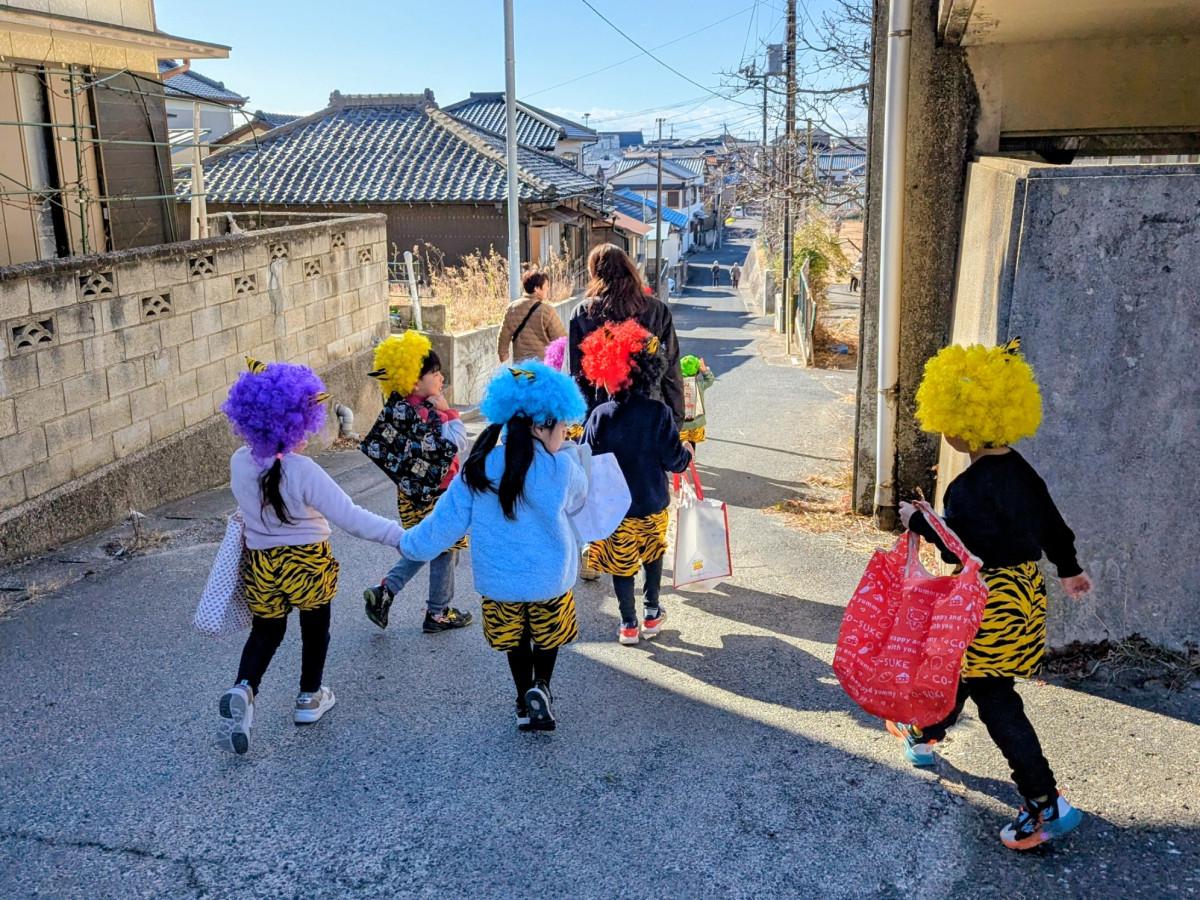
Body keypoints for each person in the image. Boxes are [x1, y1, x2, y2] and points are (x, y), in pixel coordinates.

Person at [889, 338, 1093, 851]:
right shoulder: (1023, 471)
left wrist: (920, 522)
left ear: (963, 424)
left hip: (988, 598)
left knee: (994, 693)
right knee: (967, 668)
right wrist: (1069, 570)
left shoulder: (968, 487)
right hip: (1024, 591)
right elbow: (1053, 525)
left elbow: (963, 549)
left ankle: (1044, 801)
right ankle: (926, 733)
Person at [216, 358, 405, 755]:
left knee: (266, 632)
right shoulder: (303, 470)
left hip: (262, 564)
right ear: (294, 424)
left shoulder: (239, 463)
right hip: (306, 562)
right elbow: (350, 517)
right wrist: (399, 537)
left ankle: (245, 688)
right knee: (315, 629)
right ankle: (309, 696)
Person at [398, 361, 588, 731]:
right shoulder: (561, 468)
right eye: (562, 426)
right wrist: (566, 455)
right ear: (539, 426)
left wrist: (409, 544)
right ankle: (542, 686)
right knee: (547, 637)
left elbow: (445, 522)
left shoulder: (479, 466)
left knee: (515, 641)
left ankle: (522, 700)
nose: (565, 433)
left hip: (500, 583)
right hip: (549, 579)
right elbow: (581, 493)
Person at [580, 320, 693, 645]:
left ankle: (628, 623)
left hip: (616, 511)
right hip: (653, 504)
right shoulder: (658, 413)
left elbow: (584, 459)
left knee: (622, 564)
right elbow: (674, 461)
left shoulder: (600, 415)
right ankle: (652, 612)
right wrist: (687, 453)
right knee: (653, 555)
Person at [362, 332, 474, 634]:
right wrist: (448, 410)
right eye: (435, 374)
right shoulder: (432, 413)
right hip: (439, 493)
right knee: (444, 549)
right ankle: (437, 612)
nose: (441, 378)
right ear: (414, 381)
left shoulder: (399, 409)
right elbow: (457, 442)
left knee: (425, 545)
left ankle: (386, 591)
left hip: (410, 495)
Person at [569, 243, 684, 425]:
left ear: (594, 273)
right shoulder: (656, 309)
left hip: (602, 415)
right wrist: (676, 419)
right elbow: (671, 367)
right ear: (629, 268)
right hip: (651, 411)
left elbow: (576, 373)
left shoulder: (585, 311)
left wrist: (583, 423)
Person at [497, 270, 566, 363]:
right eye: (546, 285)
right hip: (543, 366)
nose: (548, 288)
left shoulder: (512, 308)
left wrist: (503, 356)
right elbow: (560, 339)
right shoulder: (547, 311)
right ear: (537, 288)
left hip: (520, 366)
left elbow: (504, 336)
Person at [678, 355, 715, 450]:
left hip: (680, 423)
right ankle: (692, 455)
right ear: (697, 374)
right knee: (692, 442)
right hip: (696, 422)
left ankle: (684, 453)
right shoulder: (699, 385)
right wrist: (704, 370)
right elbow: (710, 381)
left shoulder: (676, 387)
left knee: (680, 443)